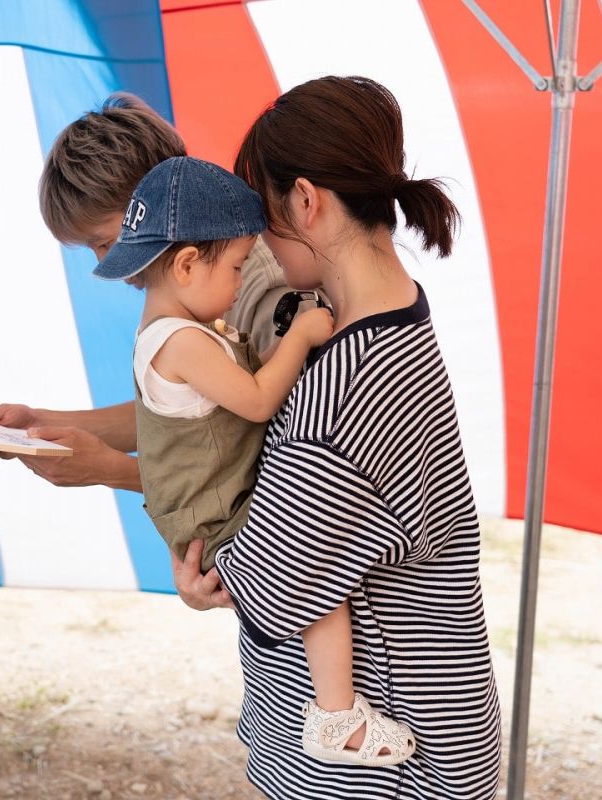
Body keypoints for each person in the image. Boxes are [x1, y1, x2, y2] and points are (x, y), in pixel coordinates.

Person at [174, 76, 502, 798]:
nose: (259, 239)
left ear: (304, 200)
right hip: (441, 726)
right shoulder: (399, 313)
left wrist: (201, 568)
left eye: (264, 213)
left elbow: (271, 585)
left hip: (387, 767)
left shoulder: (344, 390)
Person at [98, 154, 413, 768]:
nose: (243, 282)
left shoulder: (166, 333)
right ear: (188, 264)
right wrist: (300, 335)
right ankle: (335, 717)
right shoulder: (184, 342)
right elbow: (258, 400)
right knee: (321, 585)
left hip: (201, 505)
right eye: (239, 266)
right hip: (219, 514)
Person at [0, 94, 296, 497]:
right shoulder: (192, 287)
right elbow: (189, 412)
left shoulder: (259, 289)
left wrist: (116, 471)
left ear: (150, 206)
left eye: (106, 242)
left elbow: (278, 465)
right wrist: (34, 423)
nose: (108, 266)